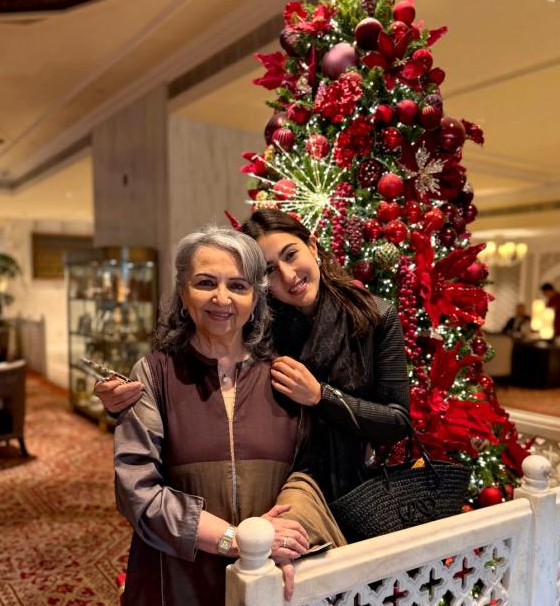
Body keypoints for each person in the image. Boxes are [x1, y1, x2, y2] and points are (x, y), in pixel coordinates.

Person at [113, 227, 343, 606]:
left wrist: (283, 537)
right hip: (177, 576)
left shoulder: (284, 375)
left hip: (270, 573)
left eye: (237, 286)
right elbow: (138, 490)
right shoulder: (154, 374)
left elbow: (309, 467)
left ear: (255, 298)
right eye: (206, 283)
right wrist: (237, 540)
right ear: (183, 293)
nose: (222, 298)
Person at [99, 209, 410, 505]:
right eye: (270, 269)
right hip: (279, 492)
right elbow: (202, 384)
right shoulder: (259, 326)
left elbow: (398, 422)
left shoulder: (374, 317)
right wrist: (128, 401)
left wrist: (320, 396)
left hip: (356, 489)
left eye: (291, 255)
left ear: (313, 246)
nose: (288, 275)